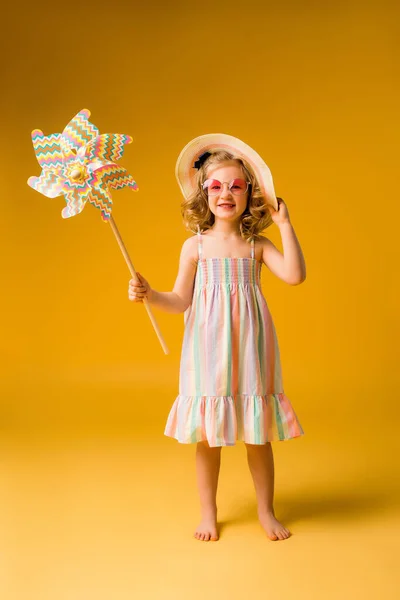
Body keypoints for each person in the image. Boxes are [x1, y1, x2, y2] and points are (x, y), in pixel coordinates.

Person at [128, 134, 306, 543]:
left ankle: (266, 511)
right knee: (207, 438)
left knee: (257, 437)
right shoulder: (196, 247)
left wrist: (285, 226)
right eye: (216, 185)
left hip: (250, 352)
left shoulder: (256, 246)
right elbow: (179, 300)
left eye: (236, 185)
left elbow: (295, 276)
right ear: (202, 193)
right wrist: (150, 295)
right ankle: (208, 513)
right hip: (207, 353)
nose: (226, 193)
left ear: (250, 194)